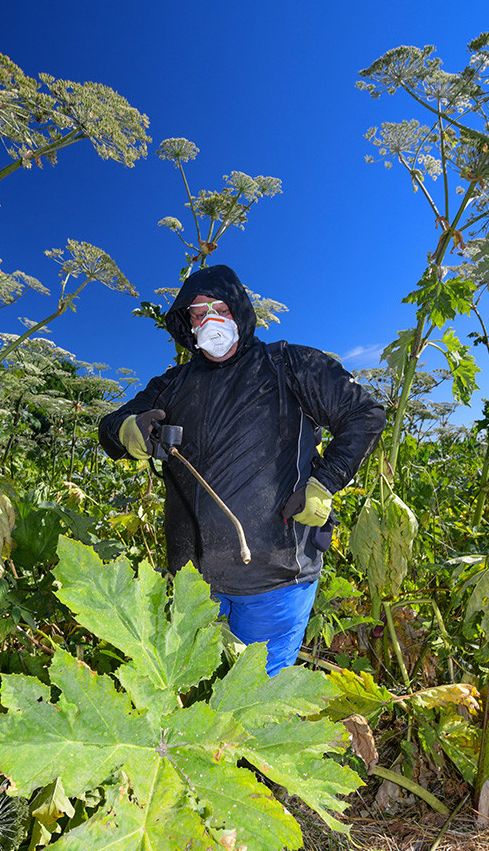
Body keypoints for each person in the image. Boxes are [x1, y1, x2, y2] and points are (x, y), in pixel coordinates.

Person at [99, 263, 385, 674]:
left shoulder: (288, 365)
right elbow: (109, 428)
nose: (211, 320)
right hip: (193, 586)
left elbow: (364, 414)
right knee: (196, 693)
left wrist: (324, 483)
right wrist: (128, 429)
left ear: (240, 311)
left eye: (221, 308)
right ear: (188, 324)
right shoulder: (171, 384)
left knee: (254, 701)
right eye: (199, 313)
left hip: (274, 580)